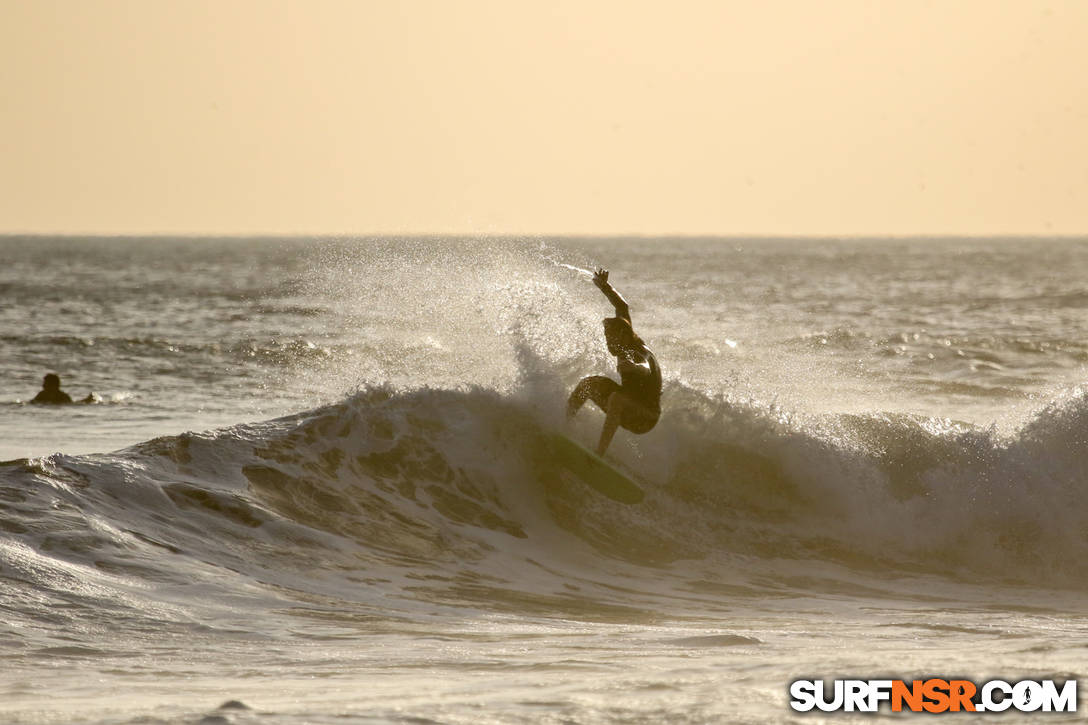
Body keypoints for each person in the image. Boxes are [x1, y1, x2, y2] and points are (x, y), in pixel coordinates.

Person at [566, 268, 662, 455]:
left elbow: (645, 367)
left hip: (645, 417)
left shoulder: (636, 352)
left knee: (616, 399)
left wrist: (634, 367)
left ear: (621, 336)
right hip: (628, 402)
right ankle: (565, 425)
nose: (607, 341)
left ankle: (599, 453)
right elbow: (622, 307)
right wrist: (605, 287)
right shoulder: (625, 333)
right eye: (606, 336)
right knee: (587, 384)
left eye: (610, 337)